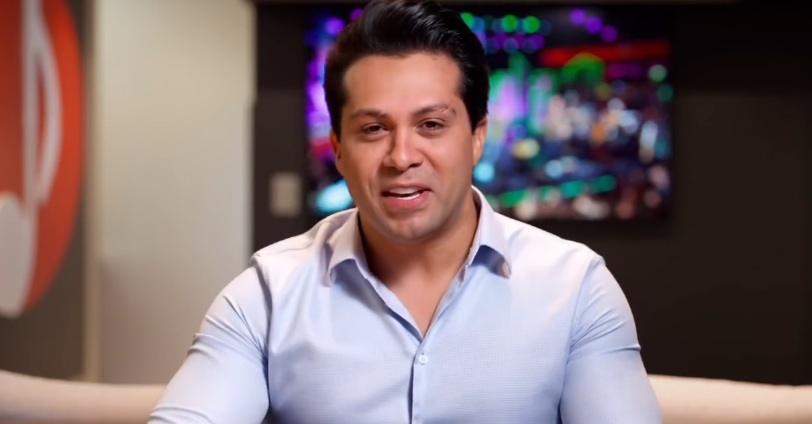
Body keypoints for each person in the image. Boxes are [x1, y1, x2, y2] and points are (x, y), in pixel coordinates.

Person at [149, 1, 661, 423]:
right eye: (373, 129)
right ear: (338, 148)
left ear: (477, 136)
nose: (401, 156)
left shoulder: (575, 289)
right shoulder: (269, 294)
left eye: (431, 125)